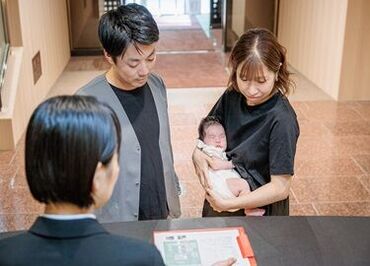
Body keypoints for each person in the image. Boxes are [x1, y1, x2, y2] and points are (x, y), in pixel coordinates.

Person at [0, 95, 165, 266]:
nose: (118, 168)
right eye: (116, 157)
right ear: (97, 175)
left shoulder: (5, 255)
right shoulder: (142, 259)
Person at [77, 3, 181, 222]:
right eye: (133, 63)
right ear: (108, 55)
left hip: (162, 209)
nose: (144, 70)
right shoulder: (87, 103)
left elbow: (163, 145)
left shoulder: (157, 84)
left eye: (151, 58)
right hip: (120, 220)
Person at [193, 28, 300, 216]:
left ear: (277, 70)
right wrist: (198, 153)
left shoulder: (282, 119)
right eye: (243, 78)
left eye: (261, 81)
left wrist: (230, 204)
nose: (251, 90)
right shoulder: (233, 95)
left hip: (259, 207)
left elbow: (280, 187)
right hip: (224, 193)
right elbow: (208, 132)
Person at [197, 116, 264, 216]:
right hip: (220, 186)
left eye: (222, 136)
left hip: (223, 184)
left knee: (243, 185)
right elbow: (215, 164)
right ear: (203, 140)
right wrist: (232, 164)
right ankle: (249, 208)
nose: (218, 140)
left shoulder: (218, 150)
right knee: (243, 185)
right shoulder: (209, 150)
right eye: (212, 137)